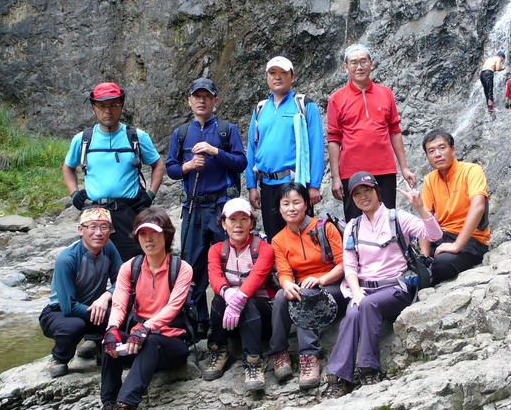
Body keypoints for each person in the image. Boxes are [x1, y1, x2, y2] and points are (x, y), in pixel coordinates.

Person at [323, 171, 441, 399]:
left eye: (367, 190)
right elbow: (349, 265)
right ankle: (338, 379)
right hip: (364, 289)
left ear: (377, 191)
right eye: (357, 193)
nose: (363, 196)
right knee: (354, 312)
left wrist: (420, 208)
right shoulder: (353, 226)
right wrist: (356, 292)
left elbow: (434, 234)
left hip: (396, 287)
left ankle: (368, 368)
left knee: (365, 306)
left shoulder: (398, 218)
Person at [98, 208, 193, 410]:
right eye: (143, 234)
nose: (148, 239)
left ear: (166, 236)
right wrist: (111, 330)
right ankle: (109, 404)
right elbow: (119, 304)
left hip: (171, 344)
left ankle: (126, 408)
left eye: (154, 233)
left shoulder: (181, 268)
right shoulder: (130, 267)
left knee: (151, 341)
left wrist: (146, 327)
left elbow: (172, 308)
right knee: (109, 342)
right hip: (137, 340)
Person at [166, 77, 247, 338]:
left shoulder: (227, 130)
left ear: (215, 101)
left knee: (229, 261)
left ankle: (230, 316)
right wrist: (188, 166)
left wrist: (215, 152)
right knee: (193, 265)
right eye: (196, 96)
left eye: (206, 96)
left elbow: (240, 163)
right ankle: (199, 320)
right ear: (189, 101)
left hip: (222, 208)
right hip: (193, 209)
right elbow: (171, 168)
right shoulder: (180, 134)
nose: (201, 101)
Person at [63, 82, 164, 261]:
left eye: (113, 105)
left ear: (121, 106)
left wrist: (149, 194)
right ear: (94, 108)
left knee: (133, 264)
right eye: (102, 106)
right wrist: (74, 194)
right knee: (94, 265)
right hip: (94, 212)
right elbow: (68, 168)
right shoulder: (84, 139)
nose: (107, 111)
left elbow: (158, 165)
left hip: (128, 212)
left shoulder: (136, 137)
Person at [268, 182, 345, 390]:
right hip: (303, 285)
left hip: (333, 286)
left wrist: (322, 280)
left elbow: (343, 263)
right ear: (279, 207)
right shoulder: (278, 240)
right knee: (280, 297)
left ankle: (309, 356)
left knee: (307, 294)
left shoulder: (325, 227)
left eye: (296, 202)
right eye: (286, 204)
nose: (291, 208)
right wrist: (286, 285)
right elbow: (283, 272)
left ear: (305, 205)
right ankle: (279, 353)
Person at [327, 44, 417, 222]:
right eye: (353, 63)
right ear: (346, 67)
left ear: (371, 63)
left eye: (363, 61)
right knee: (356, 223)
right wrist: (336, 178)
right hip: (351, 173)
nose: (359, 67)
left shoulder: (386, 93)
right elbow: (334, 139)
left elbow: (395, 131)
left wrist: (404, 167)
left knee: (387, 220)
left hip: (384, 169)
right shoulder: (336, 99)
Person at [246, 56, 325, 240]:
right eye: (273, 73)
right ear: (266, 77)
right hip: (266, 184)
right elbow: (252, 148)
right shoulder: (260, 109)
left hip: (294, 183)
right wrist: (251, 186)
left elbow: (316, 147)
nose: (277, 77)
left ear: (292, 76)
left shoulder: (304, 105)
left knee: (302, 237)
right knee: (274, 239)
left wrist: (314, 185)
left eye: (283, 73)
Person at [39, 207, 122, 378]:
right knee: (74, 325)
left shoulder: (109, 247)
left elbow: (122, 281)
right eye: (92, 227)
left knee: (126, 311)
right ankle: (59, 358)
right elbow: (68, 307)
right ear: (81, 230)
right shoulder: (67, 259)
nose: (98, 233)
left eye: (104, 227)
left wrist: (106, 296)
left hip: (95, 308)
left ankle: (97, 345)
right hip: (60, 312)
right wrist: (105, 314)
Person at [202, 197, 276, 391]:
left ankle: (253, 361)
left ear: (251, 223)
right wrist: (227, 294)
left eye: (244, 219)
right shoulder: (216, 250)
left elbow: (256, 278)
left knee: (248, 301)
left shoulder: (264, 249)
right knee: (219, 299)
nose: (238, 225)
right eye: (232, 220)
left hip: (262, 316)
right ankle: (218, 349)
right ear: (223, 223)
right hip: (231, 320)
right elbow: (215, 276)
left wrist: (237, 301)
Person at [420, 130, 491, 286]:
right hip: (442, 236)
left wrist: (457, 245)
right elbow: (426, 218)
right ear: (427, 157)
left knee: (442, 265)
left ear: (453, 150)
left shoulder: (471, 170)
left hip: (472, 239)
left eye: (442, 148)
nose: (437, 154)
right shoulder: (430, 180)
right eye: (431, 151)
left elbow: (478, 207)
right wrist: (423, 257)